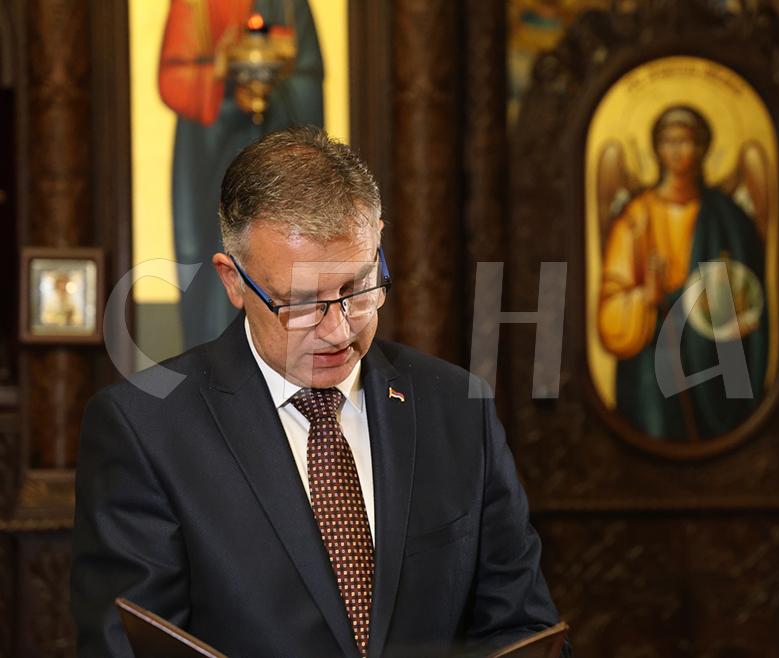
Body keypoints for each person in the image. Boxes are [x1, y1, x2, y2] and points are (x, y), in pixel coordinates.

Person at [71, 127, 569, 657]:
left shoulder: (458, 408)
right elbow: (127, 649)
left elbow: (522, 628)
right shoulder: (145, 427)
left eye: (359, 288)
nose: (340, 330)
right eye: (301, 303)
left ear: (377, 239)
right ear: (233, 281)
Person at [159, 0, 324, 349]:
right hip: (210, 150)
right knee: (213, 249)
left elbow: (309, 76)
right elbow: (173, 77)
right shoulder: (194, 5)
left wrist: (275, 88)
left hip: (280, 151)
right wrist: (223, 79)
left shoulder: (291, 6)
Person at [597, 105, 768, 441]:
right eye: (668, 142)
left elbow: (748, 289)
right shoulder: (636, 216)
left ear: (703, 148)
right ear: (657, 149)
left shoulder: (727, 217)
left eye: (686, 141)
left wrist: (743, 313)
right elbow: (610, 300)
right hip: (655, 340)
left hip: (716, 344)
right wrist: (646, 296)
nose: (676, 151)